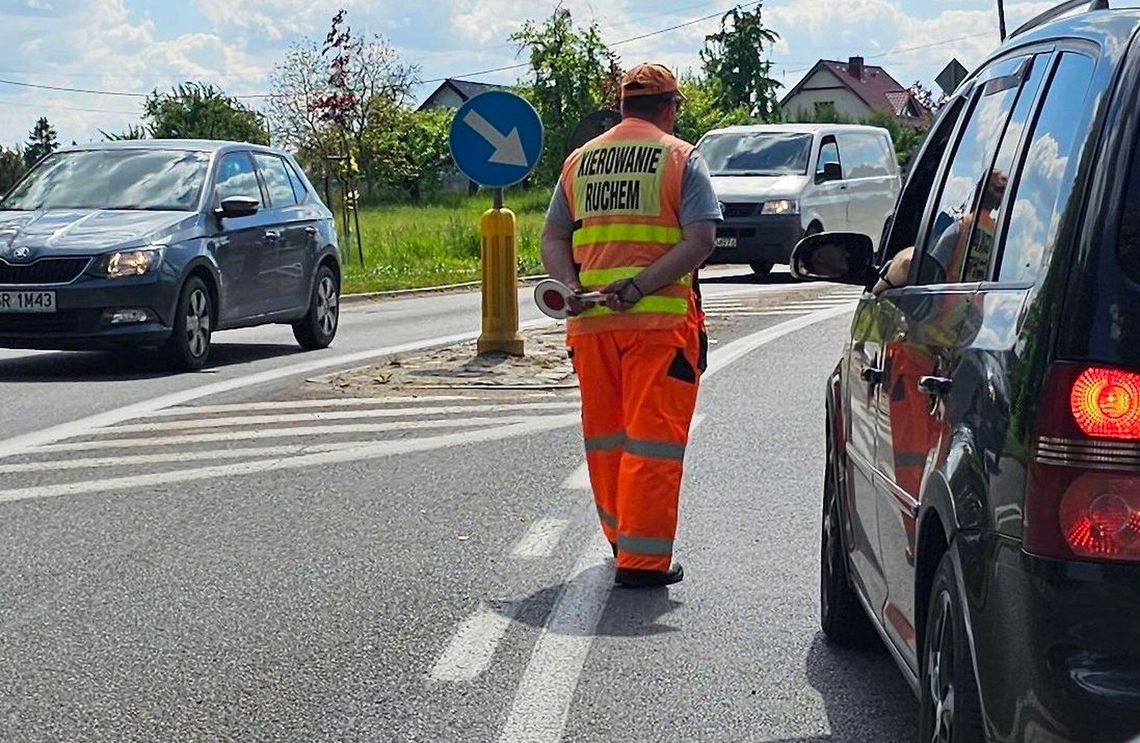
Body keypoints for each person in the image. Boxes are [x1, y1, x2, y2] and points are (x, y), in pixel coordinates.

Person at [540, 63, 721, 589]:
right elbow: (701, 239)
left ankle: (623, 542)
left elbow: (552, 239)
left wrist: (571, 285)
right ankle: (642, 561)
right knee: (653, 441)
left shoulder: (579, 162)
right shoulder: (681, 158)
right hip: (658, 329)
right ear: (670, 107)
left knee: (607, 438)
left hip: (591, 326)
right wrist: (641, 286)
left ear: (622, 107)